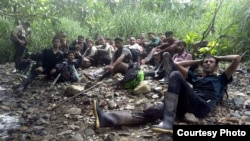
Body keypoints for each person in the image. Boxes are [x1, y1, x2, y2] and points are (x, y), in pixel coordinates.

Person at [92, 53, 241, 136]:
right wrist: (201, 60)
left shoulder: (221, 78)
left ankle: (168, 123)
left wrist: (217, 58)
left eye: (211, 62)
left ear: (216, 66)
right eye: (206, 62)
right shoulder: (196, 77)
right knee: (154, 110)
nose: (208, 63)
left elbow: (237, 58)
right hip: (188, 104)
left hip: (202, 106)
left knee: (175, 76)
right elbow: (178, 65)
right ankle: (108, 119)